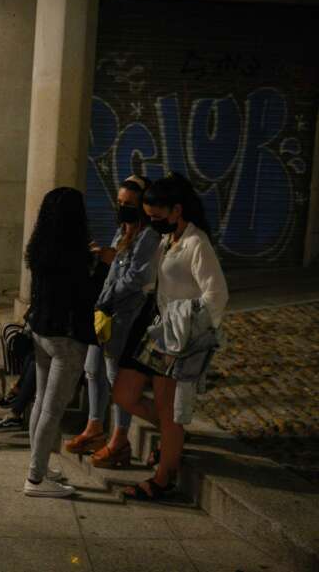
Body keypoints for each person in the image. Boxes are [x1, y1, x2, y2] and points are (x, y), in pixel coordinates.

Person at [114, 173, 228, 501]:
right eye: (149, 217)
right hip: (158, 331)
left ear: (177, 210)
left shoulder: (196, 244)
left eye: (157, 217)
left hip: (179, 337)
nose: (153, 223)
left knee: (168, 411)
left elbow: (217, 295)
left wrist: (187, 323)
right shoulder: (168, 239)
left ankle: (164, 476)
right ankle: (172, 438)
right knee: (124, 393)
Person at [65, 176, 159, 468]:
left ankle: (120, 439)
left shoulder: (149, 236)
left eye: (129, 204)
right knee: (92, 369)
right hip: (104, 310)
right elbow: (114, 269)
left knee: (115, 377)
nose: (122, 209)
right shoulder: (123, 232)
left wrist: (113, 259)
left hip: (125, 315)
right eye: (119, 203)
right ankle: (95, 426)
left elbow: (137, 277)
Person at [22, 187, 98, 498]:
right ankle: (35, 478)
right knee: (52, 409)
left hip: (41, 331)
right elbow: (84, 295)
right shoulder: (76, 253)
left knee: (41, 403)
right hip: (66, 338)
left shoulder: (39, 246)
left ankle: (38, 467)